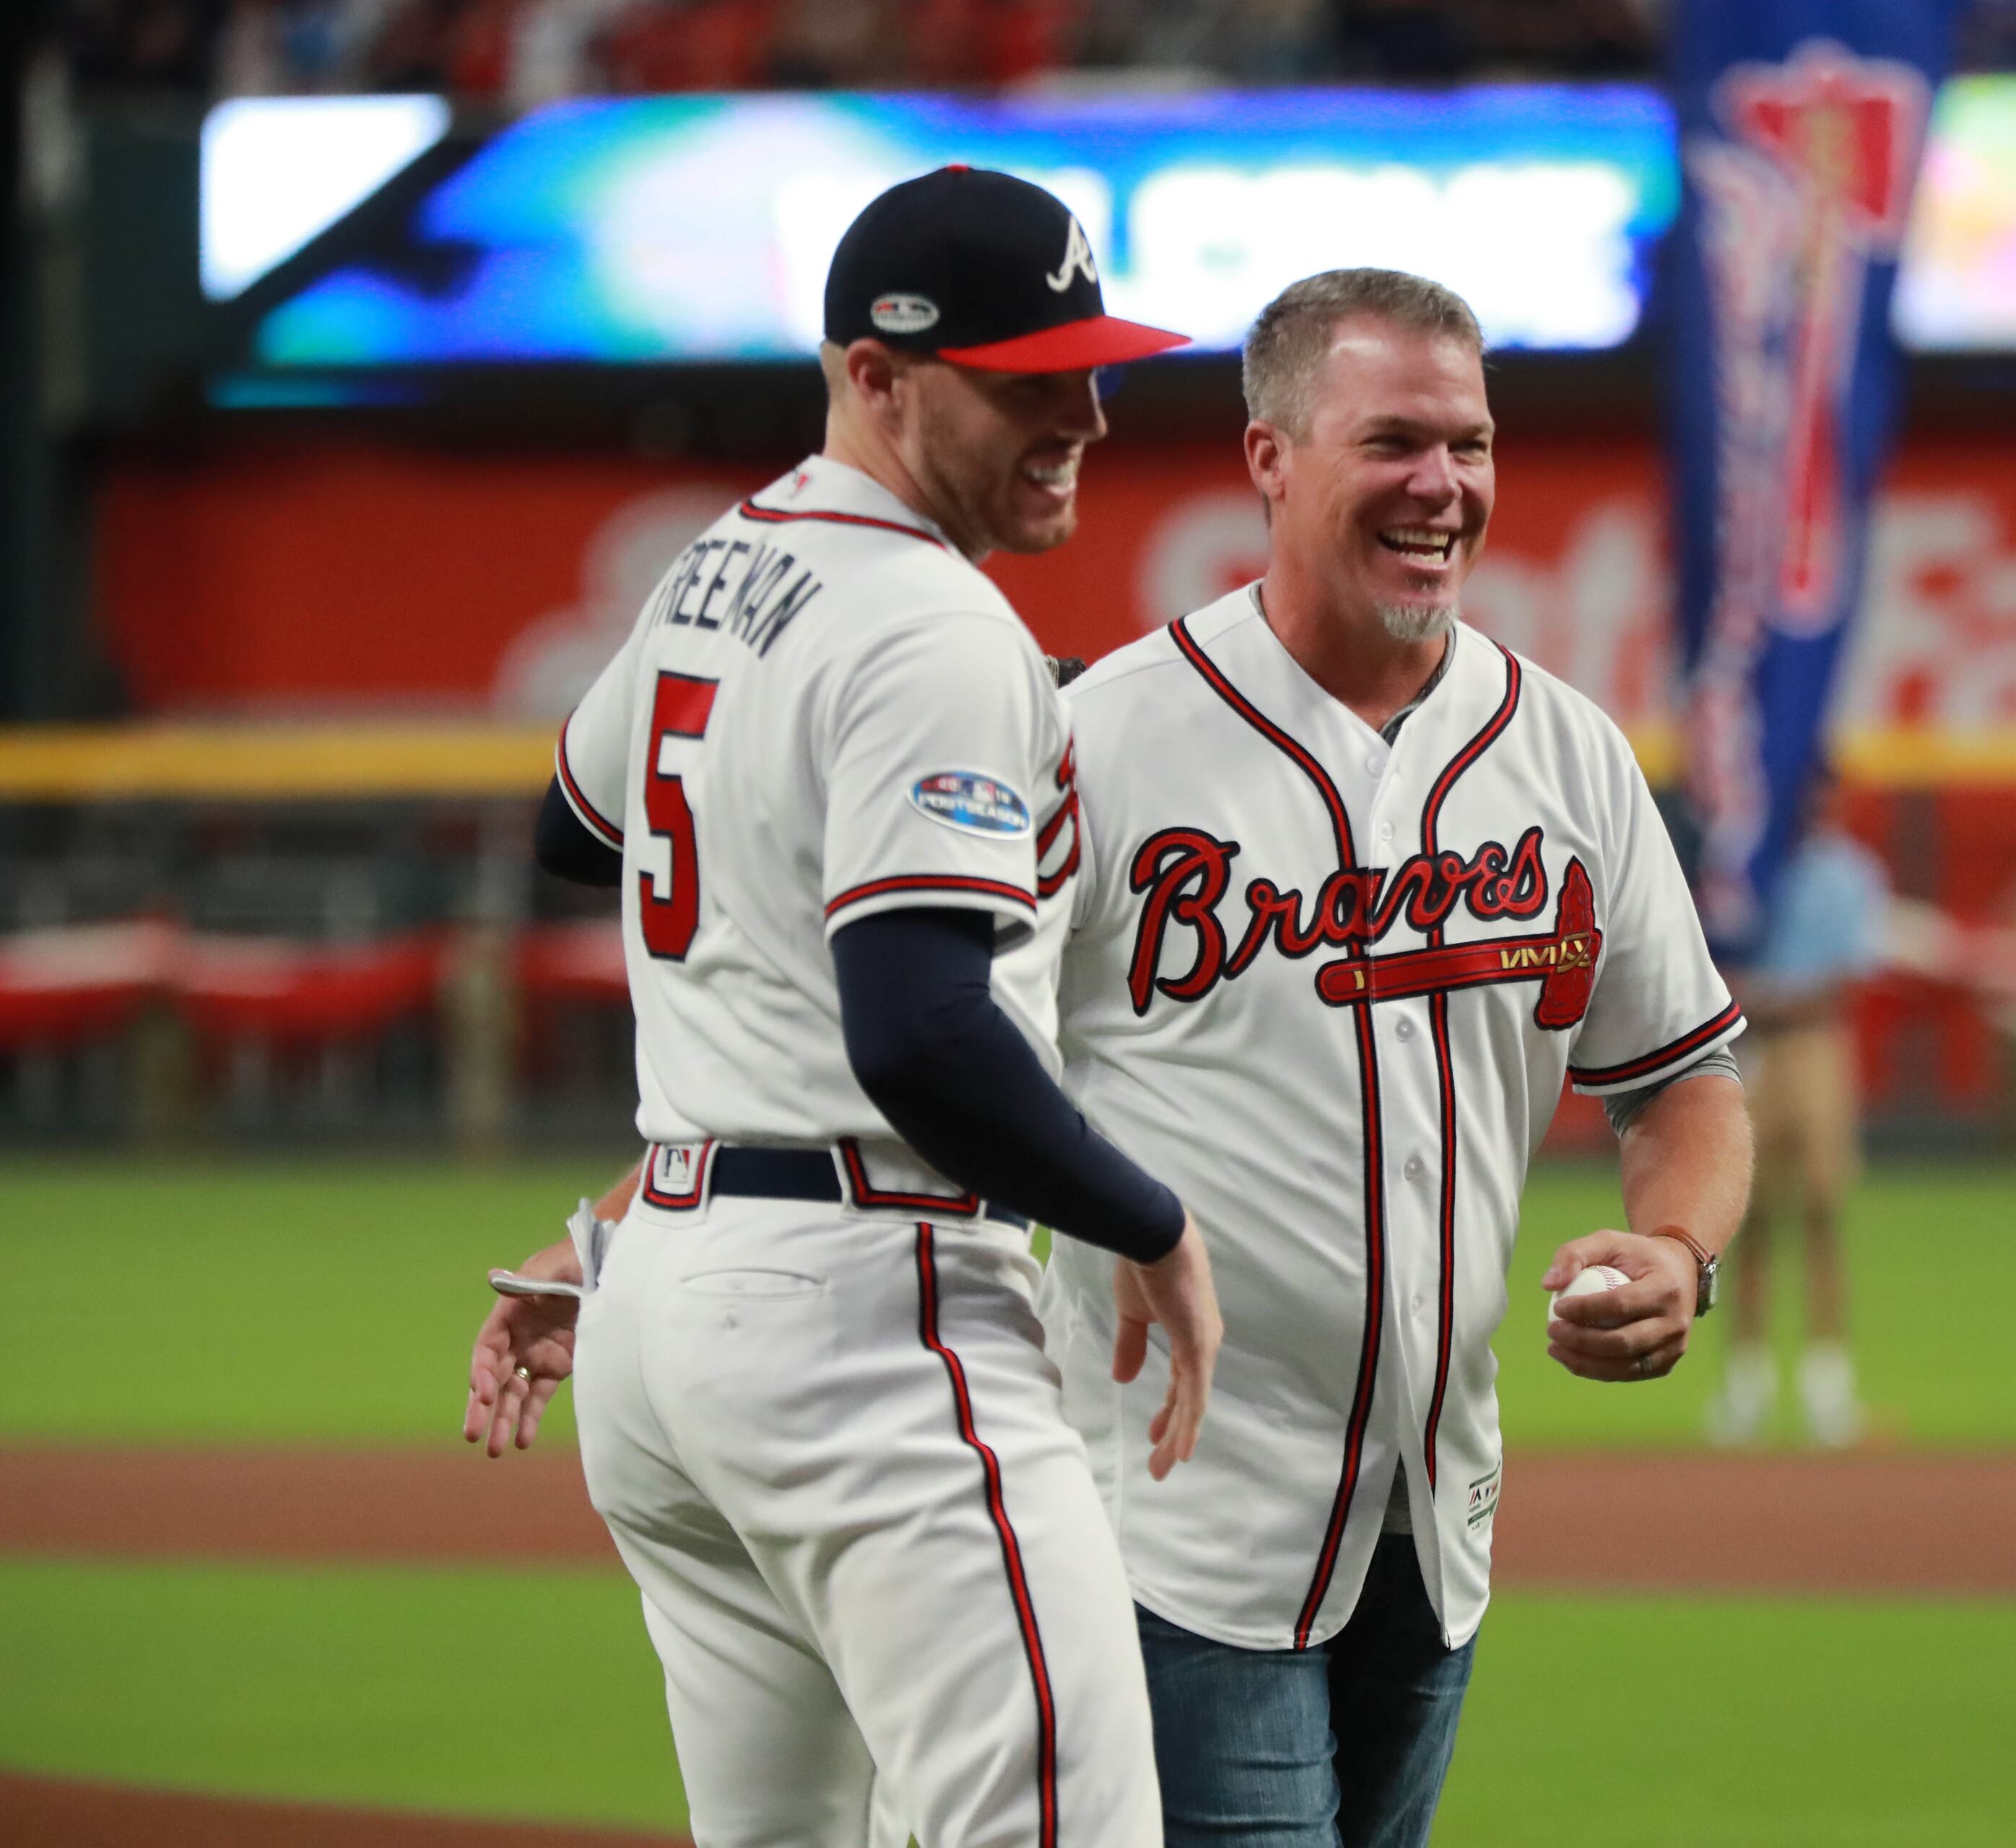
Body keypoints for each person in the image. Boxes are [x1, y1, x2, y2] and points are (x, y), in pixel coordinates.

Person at [461, 167, 1223, 1848]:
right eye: (1029, 376)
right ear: (875, 378)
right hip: (866, 1317)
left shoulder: (720, 566)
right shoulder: (932, 619)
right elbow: (918, 1031)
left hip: (672, 1305)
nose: (1085, 411)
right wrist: (1144, 1222)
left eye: (1092, 365)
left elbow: (573, 829)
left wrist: (646, 1209)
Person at [1037, 269, 1754, 1848]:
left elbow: (1685, 1075)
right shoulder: (1104, 738)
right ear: (1270, 459)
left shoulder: (1563, 750)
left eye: (1472, 443)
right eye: (1395, 442)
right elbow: (916, 1046)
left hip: (1435, 1519)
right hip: (1178, 1514)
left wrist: (1680, 1245)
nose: (1444, 485)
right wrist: (645, 1215)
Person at [1708, 764, 1890, 1449]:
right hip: (1751, 1048)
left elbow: (1849, 974)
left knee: (1821, 1214)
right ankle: (1745, 1392)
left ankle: (1826, 1391)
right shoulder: (1746, 864)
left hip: (1813, 1047)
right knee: (1746, 1222)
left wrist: (1774, 997)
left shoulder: (1849, 872)